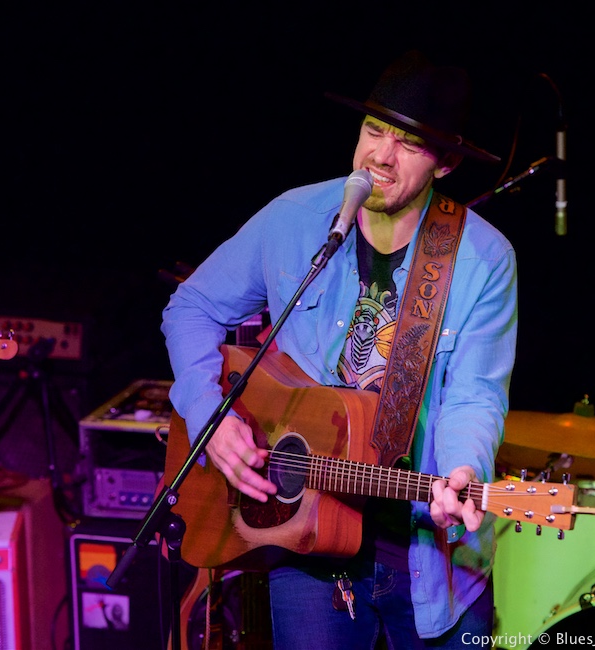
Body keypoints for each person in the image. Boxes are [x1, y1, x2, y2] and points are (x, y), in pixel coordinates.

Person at [161, 50, 518, 649]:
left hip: (428, 558)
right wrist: (210, 419)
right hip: (306, 537)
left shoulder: (483, 259)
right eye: (374, 131)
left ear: (447, 162)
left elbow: (475, 395)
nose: (381, 155)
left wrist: (464, 471)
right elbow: (191, 308)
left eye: (409, 143)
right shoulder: (293, 219)